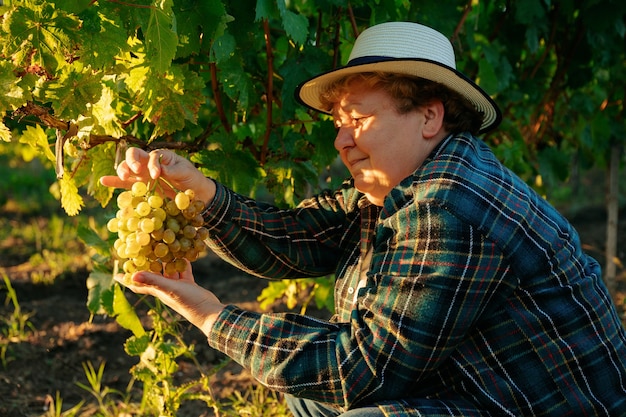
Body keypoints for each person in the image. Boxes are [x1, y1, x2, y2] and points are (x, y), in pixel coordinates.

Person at [101, 22, 626, 416]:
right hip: (478, 387)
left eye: (360, 118)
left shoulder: (449, 205)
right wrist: (201, 194)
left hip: (542, 408)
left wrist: (213, 317)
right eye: (338, 121)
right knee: (307, 395)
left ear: (428, 116)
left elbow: (361, 371)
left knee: (344, 400)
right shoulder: (399, 187)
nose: (341, 139)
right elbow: (295, 239)